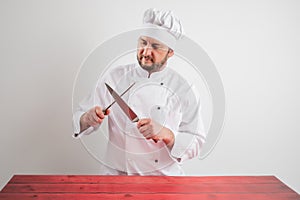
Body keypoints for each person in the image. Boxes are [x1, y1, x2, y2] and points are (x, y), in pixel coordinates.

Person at [73, 8, 206, 175]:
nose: (146, 52)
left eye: (156, 46)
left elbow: (197, 141)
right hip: (115, 176)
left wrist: (168, 135)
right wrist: (87, 118)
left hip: (163, 179)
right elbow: (80, 119)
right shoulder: (114, 77)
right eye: (143, 42)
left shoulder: (184, 88)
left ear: (170, 52)